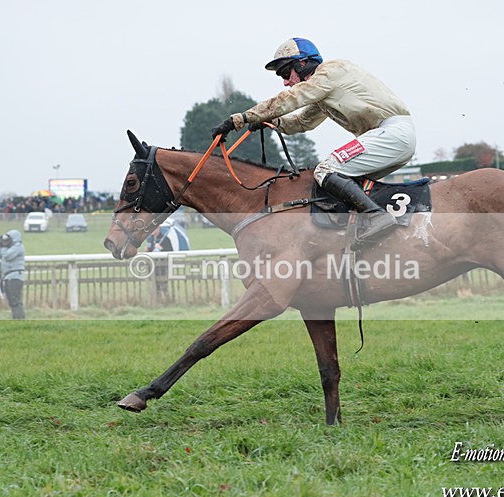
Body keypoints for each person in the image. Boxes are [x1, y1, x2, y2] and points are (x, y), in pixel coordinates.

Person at [210, 37, 416, 246]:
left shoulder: (330, 72)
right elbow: (302, 122)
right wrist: (272, 122)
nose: (285, 82)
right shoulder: (323, 88)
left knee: (325, 170)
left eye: (285, 73)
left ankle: (377, 216)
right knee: (342, 184)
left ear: (302, 64)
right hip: (390, 137)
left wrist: (241, 118)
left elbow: (289, 99)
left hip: (391, 133)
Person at [146, 220, 190, 300]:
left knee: (163, 281)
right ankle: (157, 297)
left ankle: (165, 296)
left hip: (163, 264)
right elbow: (149, 251)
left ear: (158, 228)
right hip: (153, 264)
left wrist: (161, 249)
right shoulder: (150, 240)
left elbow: (170, 250)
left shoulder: (165, 239)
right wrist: (148, 250)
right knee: (154, 281)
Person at [0, 229, 26, 319]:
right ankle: (15, 318)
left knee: (15, 300)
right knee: (11, 301)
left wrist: (3, 247)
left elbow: (7, 256)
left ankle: (20, 319)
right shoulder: (10, 247)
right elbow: (1, 257)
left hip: (15, 276)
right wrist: (1, 247)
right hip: (8, 276)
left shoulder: (18, 246)